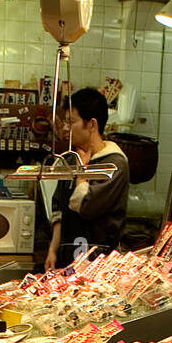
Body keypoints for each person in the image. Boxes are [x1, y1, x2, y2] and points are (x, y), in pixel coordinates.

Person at [44, 87, 130, 271]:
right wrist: (53, 249)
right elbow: (59, 207)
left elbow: (86, 206)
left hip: (98, 262)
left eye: (71, 122)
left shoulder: (114, 164)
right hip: (67, 256)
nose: (66, 128)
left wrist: (81, 176)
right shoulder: (70, 159)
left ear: (92, 124)